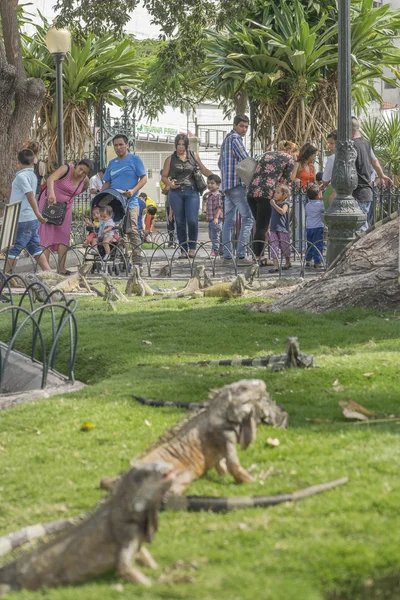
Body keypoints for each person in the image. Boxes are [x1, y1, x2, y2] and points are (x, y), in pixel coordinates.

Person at [161, 134, 212, 259]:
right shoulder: (170, 159)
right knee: (180, 221)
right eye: (178, 144)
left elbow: (204, 170)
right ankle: (183, 249)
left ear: (187, 145)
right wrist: (170, 184)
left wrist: (215, 178)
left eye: (183, 144)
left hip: (192, 191)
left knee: (192, 221)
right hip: (176, 192)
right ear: (176, 145)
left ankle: (192, 248)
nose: (180, 147)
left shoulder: (193, 156)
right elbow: (164, 176)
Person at [39, 159, 92, 275]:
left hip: (65, 207)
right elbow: (50, 179)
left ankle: (61, 268)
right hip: (50, 204)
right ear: (76, 165)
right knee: (48, 234)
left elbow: (81, 189)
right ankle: (46, 269)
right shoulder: (66, 168)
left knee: (64, 235)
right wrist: (52, 193)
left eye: (85, 172)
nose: (81, 173)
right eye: (80, 169)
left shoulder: (85, 180)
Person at [102, 134, 147, 266]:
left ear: (127, 145)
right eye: (116, 145)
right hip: (115, 202)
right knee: (118, 230)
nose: (118, 147)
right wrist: (102, 196)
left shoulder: (135, 160)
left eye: (121, 144)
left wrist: (133, 191)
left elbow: (143, 178)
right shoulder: (112, 163)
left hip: (131, 202)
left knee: (132, 230)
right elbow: (107, 183)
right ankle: (124, 258)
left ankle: (138, 260)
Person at [6, 148, 50, 273]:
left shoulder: (21, 177)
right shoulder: (33, 175)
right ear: (33, 162)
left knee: (14, 248)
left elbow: (29, 194)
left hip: (22, 217)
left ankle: (7, 277)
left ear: (18, 162)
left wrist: (38, 213)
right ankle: (49, 272)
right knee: (34, 247)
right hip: (31, 218)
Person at [247, 150, 295, 266]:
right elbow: (284, 183)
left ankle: (257, 255)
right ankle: (258, 257)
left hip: (252, 191)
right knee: (262, 227)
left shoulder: (266, 155)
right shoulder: (289, 159)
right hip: (266, 193)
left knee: (259, 225)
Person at [219, 114, 254, 265]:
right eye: (242, 126)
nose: (244, 129)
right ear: (235, 125)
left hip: (227, 186)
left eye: (246, 127)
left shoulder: (226, 140)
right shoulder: (235, 139)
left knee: (229, 221)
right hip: (237, 186)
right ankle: (241, 255)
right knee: (248, 218)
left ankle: (227, 256)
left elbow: (220, 163)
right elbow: (245, 158)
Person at [351, 117, 392, 231]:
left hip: (357, 193)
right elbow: (374, 161)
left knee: (360, 228)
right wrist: (382, 175)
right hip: (366, 192)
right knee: (362, 226)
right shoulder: (366, 143)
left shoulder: (350, 145)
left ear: (349, 130)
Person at [268, 184, 292, 273]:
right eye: (275, 192)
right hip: (274, 228)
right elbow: (272, 216)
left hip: (282, 229)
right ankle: (275, 266)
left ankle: (288, 262)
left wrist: (274, 205)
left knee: (285, 246)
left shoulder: (285, 203)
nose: (275, 194)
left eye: (278, 193)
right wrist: (269, 227)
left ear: (284, 195)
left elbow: (282, 212)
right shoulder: (274, 204)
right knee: (274, 246)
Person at [305, 183, 325, 269]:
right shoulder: (321, 204)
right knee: (318, 245)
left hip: (309, 227)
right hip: (318, 227)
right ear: (318, 195)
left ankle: (308, 260)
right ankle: (317, 262)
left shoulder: (307, 205)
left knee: (309, 244)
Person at [205, 174, 223, 257]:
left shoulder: (217, 195)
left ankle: (215, 252)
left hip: (216, 219)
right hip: (210, 220)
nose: (209, 185)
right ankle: (216, 250)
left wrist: (216, 217)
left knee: (215, 236)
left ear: (218, 185)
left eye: (212, 183)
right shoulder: (209, 195)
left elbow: (219, 207)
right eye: (208, 183)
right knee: (211, 236)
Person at [160, 169, 174, 246]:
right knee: (170, 223)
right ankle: (171, 240)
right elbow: (164, 190)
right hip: (169, 204)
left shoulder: (174, 178)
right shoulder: (162, 181)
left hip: (177, 204)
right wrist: (169, 183)